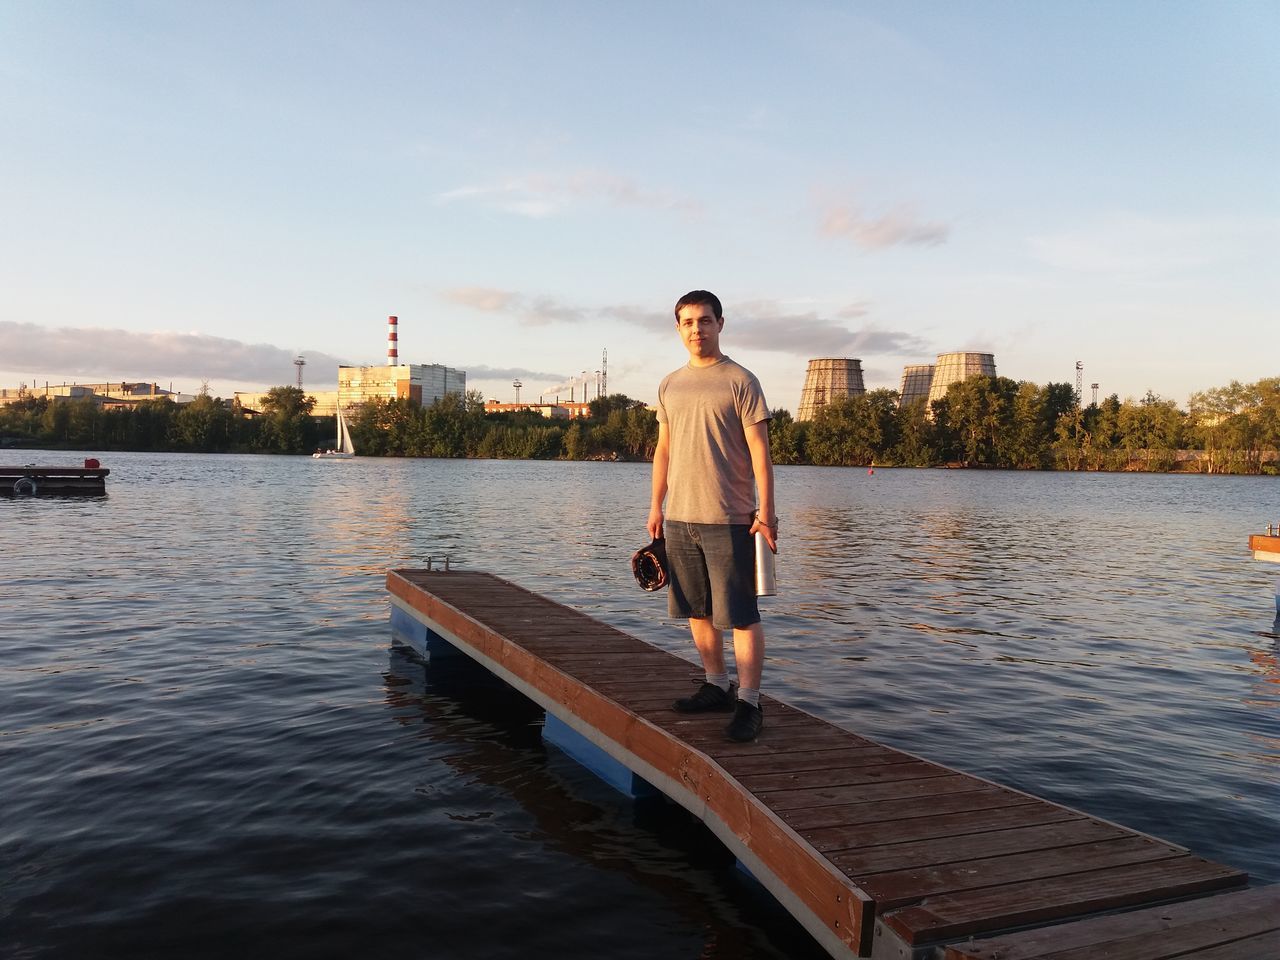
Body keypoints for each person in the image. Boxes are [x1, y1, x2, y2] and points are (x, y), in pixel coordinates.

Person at [647, 290, 777, 742]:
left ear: (721, 324)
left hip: (731, 517)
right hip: (681, 517)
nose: (696, 329)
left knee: (740, 614)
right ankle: (716, 685)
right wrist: (655, 507)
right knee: (695, 609)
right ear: (678, 328)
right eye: (687, 322)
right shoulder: (669, 385)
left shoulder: (741, 380)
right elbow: (663, 450)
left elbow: (761, 452)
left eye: (705, 320)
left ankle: (750, 702)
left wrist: (768, 513)